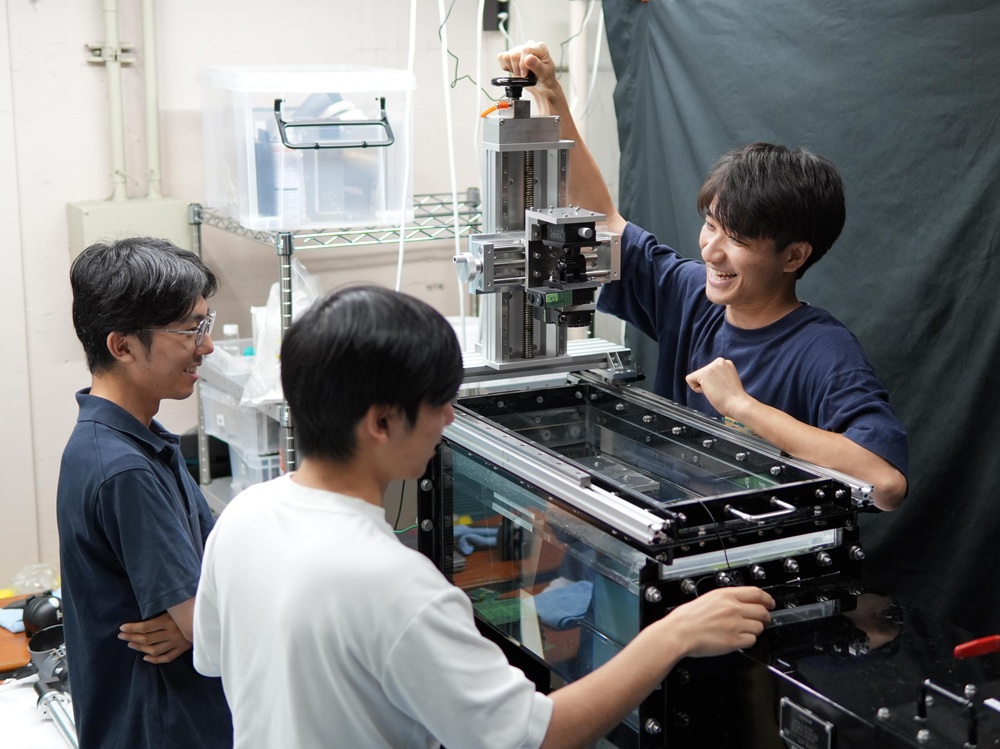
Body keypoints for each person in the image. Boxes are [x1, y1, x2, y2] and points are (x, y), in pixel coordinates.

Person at [193, 285, 774, 749]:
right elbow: (538, 737)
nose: (449, 418)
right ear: (382, 422)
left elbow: (218, 662)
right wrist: (674, 634)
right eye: (440, 403)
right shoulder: (394, 585)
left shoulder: (244, 516)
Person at [498, 41, 908, 512]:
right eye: (711, 225)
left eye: (737, 239)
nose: (711, 250)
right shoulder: (690, 295)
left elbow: (886, 483)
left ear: (794, 256)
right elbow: (604, 223)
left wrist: (742, 407)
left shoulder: (825, 352)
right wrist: (551, 94)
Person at [57, 237, 232, 748]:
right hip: (161, 729)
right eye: (191, 330)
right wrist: (199, 627)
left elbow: (214, 573)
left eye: (205, 323)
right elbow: (206, 624)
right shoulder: (123, 469)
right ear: (123, 346)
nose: (206, 346)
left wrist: (196, 626)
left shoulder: (135, 441)